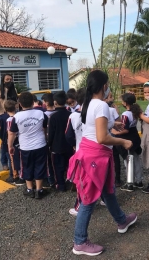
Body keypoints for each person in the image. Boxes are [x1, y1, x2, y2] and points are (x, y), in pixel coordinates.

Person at [67, 70, 137, 256]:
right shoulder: (101, 105)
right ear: (104, 85)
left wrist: (112, 124)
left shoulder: (88, 103)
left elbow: (92, 126)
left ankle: (122, 220)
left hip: (91, 154)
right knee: (89, 199)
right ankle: (79, 242)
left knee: (107, 191)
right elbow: (101, 137)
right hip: (95, 157)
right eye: (107, 84)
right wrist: (123, 141)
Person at [8, 92, 48, 199]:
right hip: (40, 144)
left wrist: (10, 146)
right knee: (40, 165)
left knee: (27, 166)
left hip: (25, 147)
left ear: (20, 103)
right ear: (32, 102)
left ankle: (30, 189)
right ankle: (39, 189)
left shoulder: (16, 117)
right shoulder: (41, 114)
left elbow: (12, 133)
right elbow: (45, 128)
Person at [112, 93, 143, 192]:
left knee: (128, 161)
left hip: (128, 138)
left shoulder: (125, 114)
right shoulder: (136, 111)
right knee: (136, 159)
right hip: (135, 137)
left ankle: (130, 183)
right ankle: (139, 181)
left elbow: (125, 129)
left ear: (125, 103)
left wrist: (115, 132)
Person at [65, 88, 86, 216]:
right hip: (98, 150)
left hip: (81, 150)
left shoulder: (73, 116)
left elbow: (68, 135)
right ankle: (105, 199)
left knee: (81, 180)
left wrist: (74, 145)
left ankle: (80, 206)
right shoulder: (97, 112)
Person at [0, 74, 18, 170]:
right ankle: (4, 162)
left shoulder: (14, 90)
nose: (9, 81)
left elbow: (16, 103)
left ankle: (12, 162)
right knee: (4, 138)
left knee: (11, 139)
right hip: (1, 118)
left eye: (10, 79)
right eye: (7, 79)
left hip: (12, 116)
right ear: (3, 80)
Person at [48, 91, 73, 192]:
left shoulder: (53, 116)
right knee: (70, 165)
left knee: (58, 167)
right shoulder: (71, 114)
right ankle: (72, 182)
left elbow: (51, 133)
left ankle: (61, 185)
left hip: (57, 146)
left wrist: (49, 144)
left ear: (55, 103)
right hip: (69, 145)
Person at [0, 100, 25, 185]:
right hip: (21, 141)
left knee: (14, 161)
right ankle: (22, 175)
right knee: (21, 159)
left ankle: (16, 176)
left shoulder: (9, 120)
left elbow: (10, 133)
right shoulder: (19, 116)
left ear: (5, 109)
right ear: (16, 107)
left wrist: (9, 144)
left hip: (13, 143)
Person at [104, 91, 122, 186]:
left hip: (103, 138)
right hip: (112, 136)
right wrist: (117, 111)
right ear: (105, 98)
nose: (112, 99)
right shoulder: (112, 110)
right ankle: (117, 179)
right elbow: (119, 123)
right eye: (110, 97)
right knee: (115, 158)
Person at [42, 93, 56, 188]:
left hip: (48, 141)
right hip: (58, 141)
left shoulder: (44, 115)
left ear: (46, 103)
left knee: (49, 162)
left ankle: (51, 180)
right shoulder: (58, 112)